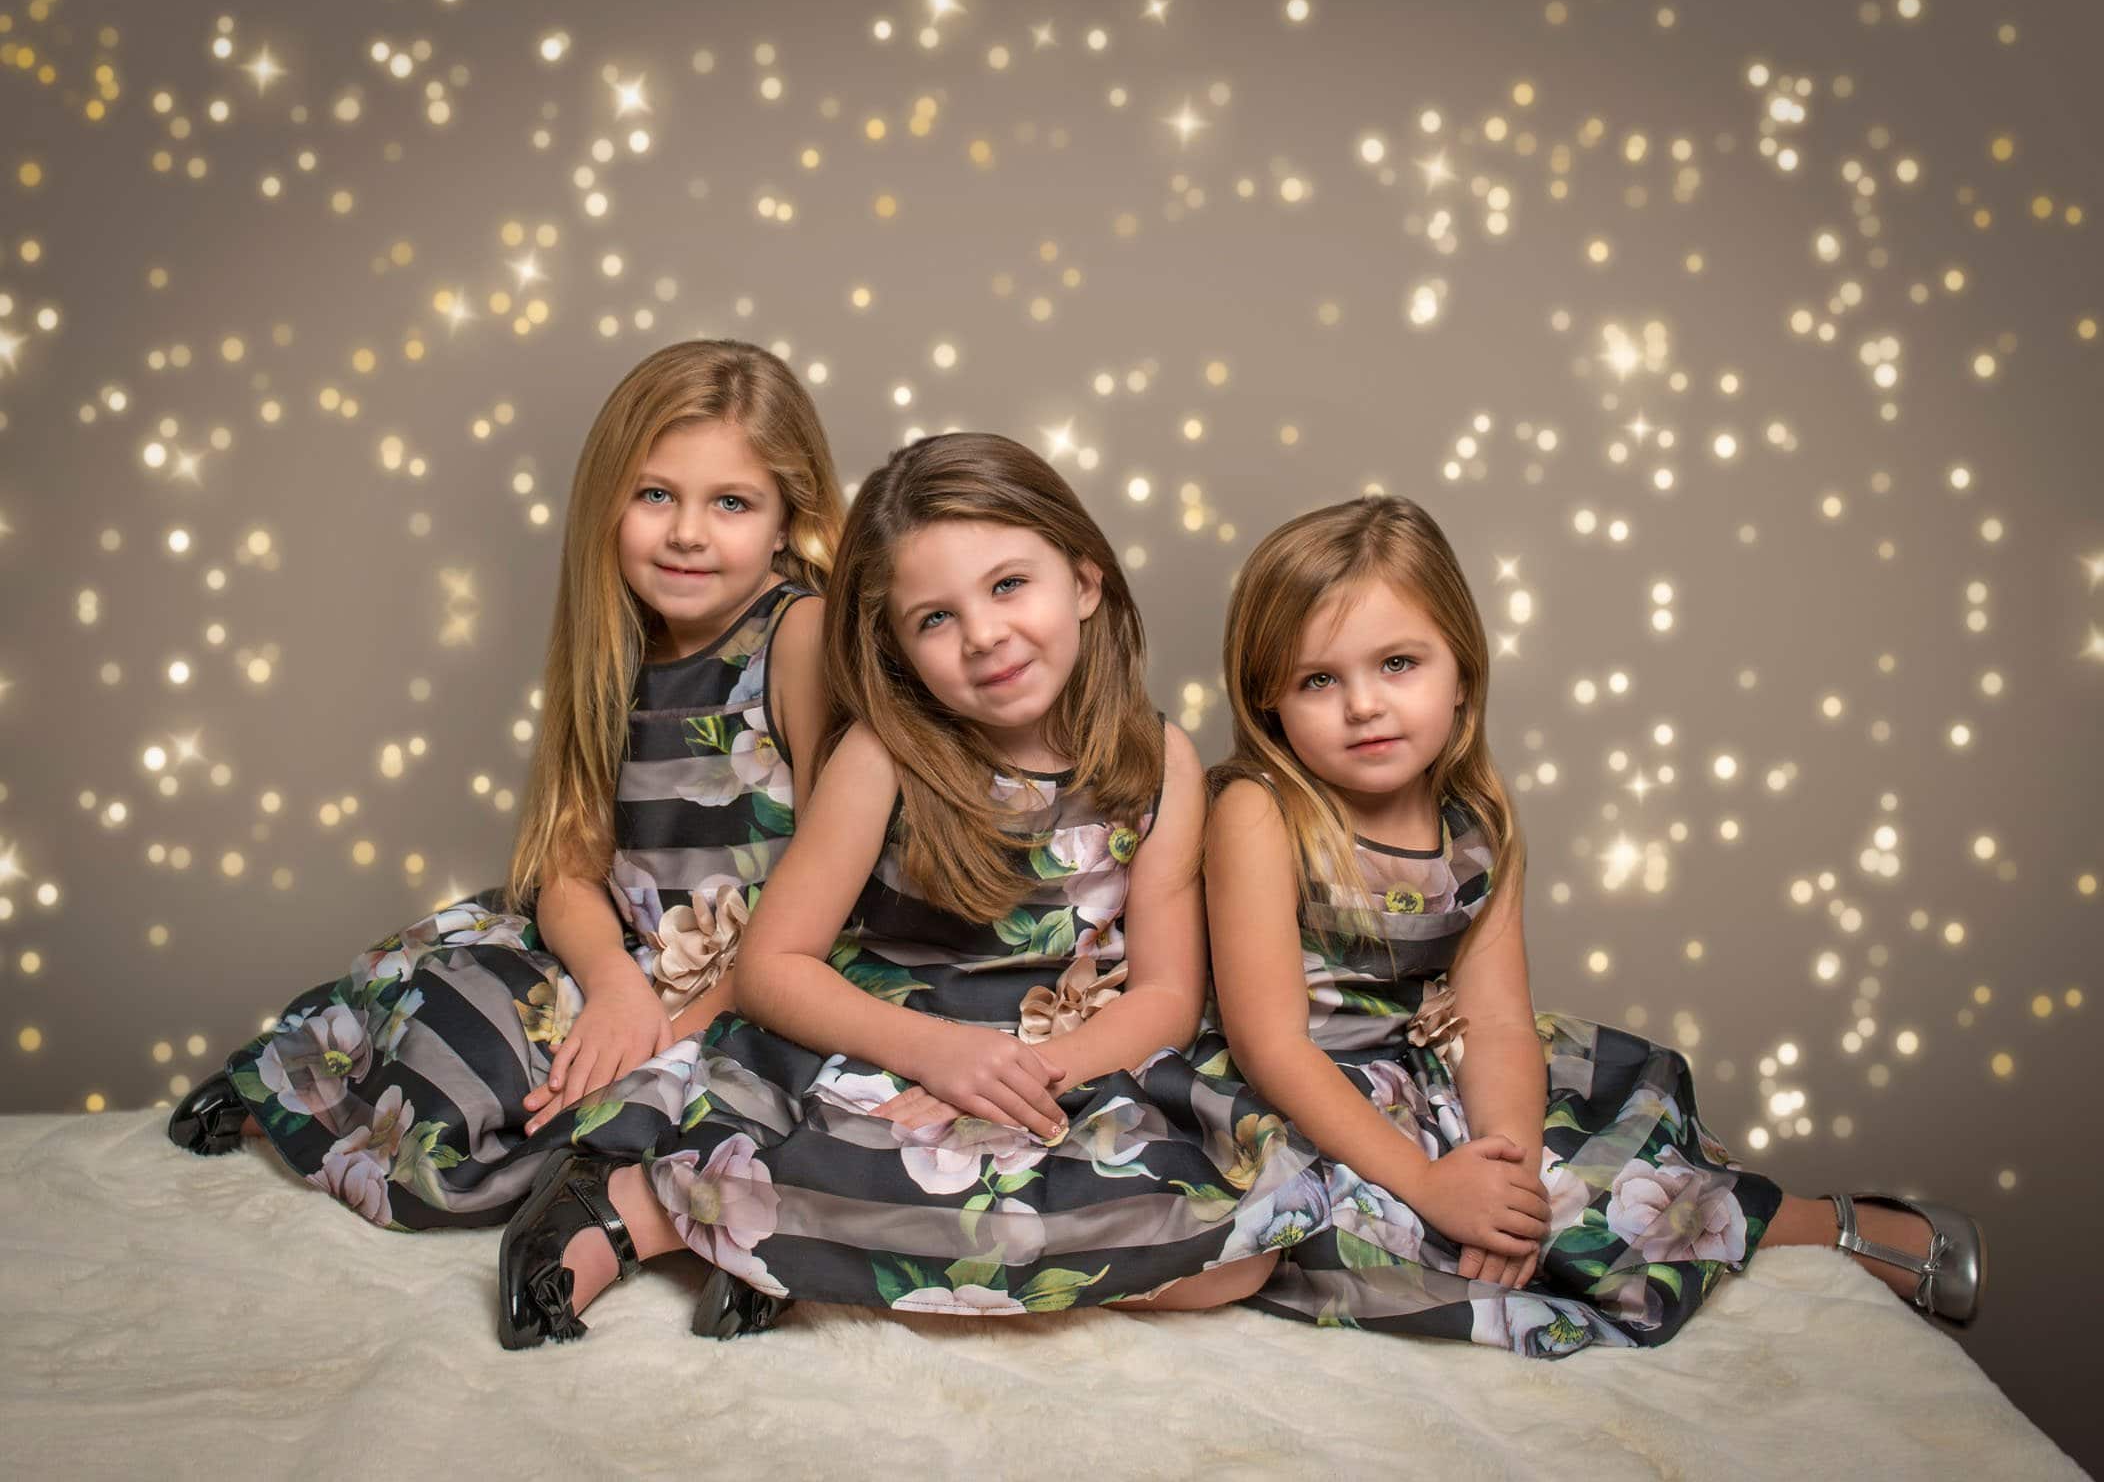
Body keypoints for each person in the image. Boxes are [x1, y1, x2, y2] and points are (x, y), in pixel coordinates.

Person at [495, 432, 1321, 1347]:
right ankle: (628, 1207)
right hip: (887, 1054)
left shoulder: (1157, 758)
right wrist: (939, 1055)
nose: (985, 636)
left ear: (1085, 582)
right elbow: (774, 967)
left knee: (1242, 1253)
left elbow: (1168, 994)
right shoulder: (884, 756)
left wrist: (1030, 1073)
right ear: (895, 646)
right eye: (934, 618)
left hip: (1057, 1065)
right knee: (844, 1144)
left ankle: (778, 1245)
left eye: (1010, 585)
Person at [1198, 495, 1983, 1354]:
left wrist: (1507, 1170)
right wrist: (1429, 1183)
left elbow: (1495, 1019)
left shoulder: (1478, 820)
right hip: (1305, 1092)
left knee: (1599, 1183)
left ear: (1461, 667)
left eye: (1398, 663)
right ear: (1268, 698)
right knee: (1361, 1233)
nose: (1363, 705)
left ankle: (1840, 1224)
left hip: (1436, 1084)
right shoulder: (1259, 811)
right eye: (1320, 679)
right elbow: (1272, 1043)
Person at [165, 340, 843, 1230]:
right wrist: (612, 985)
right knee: (452, 1010)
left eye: (730, 502)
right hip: (622, 960)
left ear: (788, 516)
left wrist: (680, 1024)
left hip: (769, 979)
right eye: (655, 495)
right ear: (608, 502)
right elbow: (567, 861)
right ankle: (290, 1085)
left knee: (672, 1106)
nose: (686, 531)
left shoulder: (800, 636)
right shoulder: (616, 643)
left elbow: (848, 879)